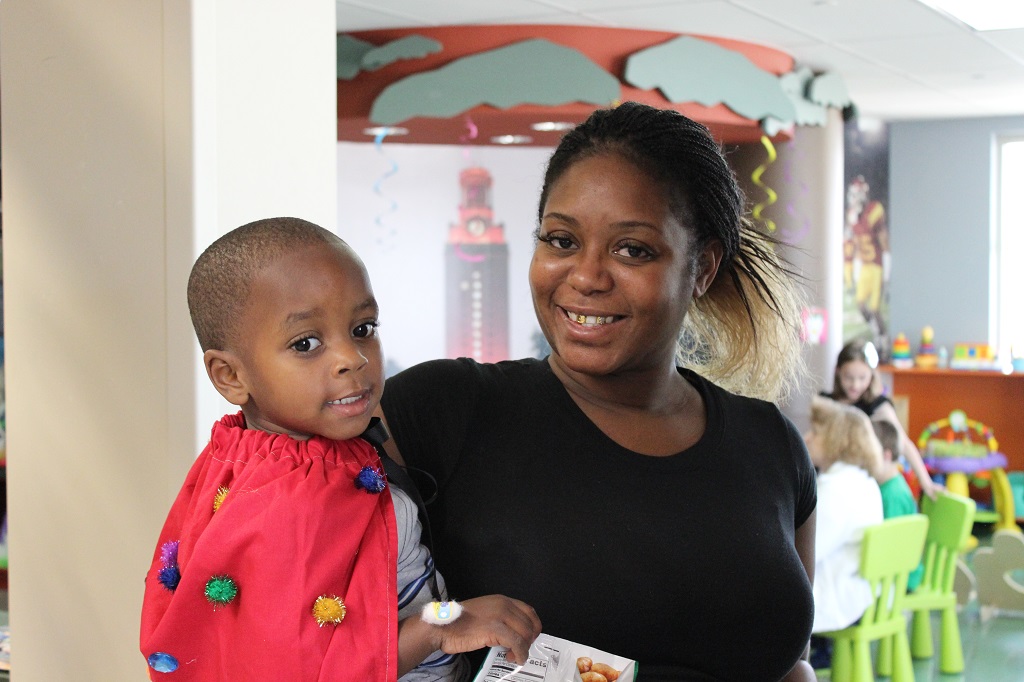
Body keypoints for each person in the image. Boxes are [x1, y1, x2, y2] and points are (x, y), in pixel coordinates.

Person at [378, 102, 818, 681]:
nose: (585, 277)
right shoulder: (441, 410)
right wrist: (432, 626)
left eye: (632, 249)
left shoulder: (770, 444)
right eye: (560, 240)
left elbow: (790, 663)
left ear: (703, 267)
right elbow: (288, 611)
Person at [139, 218, 541, 681]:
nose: (353, 358)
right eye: (306, 343)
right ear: (231, 376)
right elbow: (305, 671)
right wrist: (440, 626)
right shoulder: (285, 500)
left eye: (362, 327)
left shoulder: (290, 456)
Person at [805, 395, 884, 668]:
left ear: (835, 440)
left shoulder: (837, 489)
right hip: (862, 591)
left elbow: (806, 552)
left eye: (815, 433)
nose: (807, 438)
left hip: (838, 597)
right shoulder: (863, 481)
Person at [824, 339, 940, 499]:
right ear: (838, 372)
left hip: (866, 483)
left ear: (872, 375)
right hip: (832, 480)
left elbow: (904, 443)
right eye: (848, 377)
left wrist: (926, 482)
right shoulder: (827, 403)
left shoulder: (878, 406)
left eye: (862, 377)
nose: (855, 385)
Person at [872, 420, 924, 592]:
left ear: (886, 455)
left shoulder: (894, 494)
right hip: (897, 569)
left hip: (902, 577)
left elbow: (892, 545)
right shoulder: (887, 486)